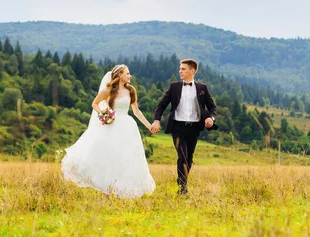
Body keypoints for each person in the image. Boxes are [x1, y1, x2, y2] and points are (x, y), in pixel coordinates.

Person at [61, 64, 155, 198]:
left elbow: (136, 111)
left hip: (128, 127)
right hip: (112, 125)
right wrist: (103, 113)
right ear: (120, 75)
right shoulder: (108, 90)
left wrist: (149, 126)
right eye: (127, 73)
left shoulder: (131, 90)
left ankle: (124, 190)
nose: (130, 76)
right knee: (111, 156)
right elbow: (95, 104)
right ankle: (108, 189)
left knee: (127, 157)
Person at [151, 59, 217, 195]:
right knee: (183, 156)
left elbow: (212, 107)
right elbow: (161, 105)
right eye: (180, 68)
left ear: (192, 71)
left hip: (194, 127)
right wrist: (156, 120)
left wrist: (211, 118)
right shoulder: (174, 86)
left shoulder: (202, 88)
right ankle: (182, 187)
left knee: (190, 157)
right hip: (178, 127)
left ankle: (183, 183)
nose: (180, 71)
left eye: (183, 69)